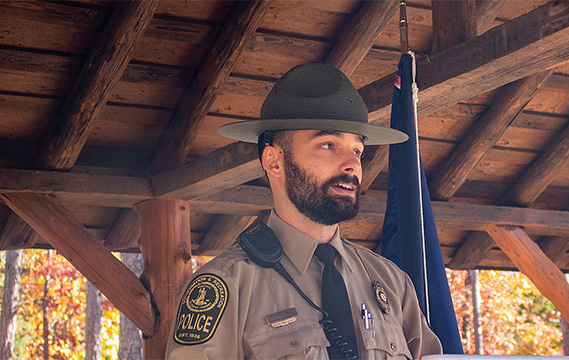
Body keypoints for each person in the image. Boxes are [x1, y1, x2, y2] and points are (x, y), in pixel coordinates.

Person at [165, 63, 442, 359]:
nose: (353, 164)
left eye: (358, 150)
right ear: (273, 161)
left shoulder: (391, 281)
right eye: (328, 145)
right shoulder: (228, 284)